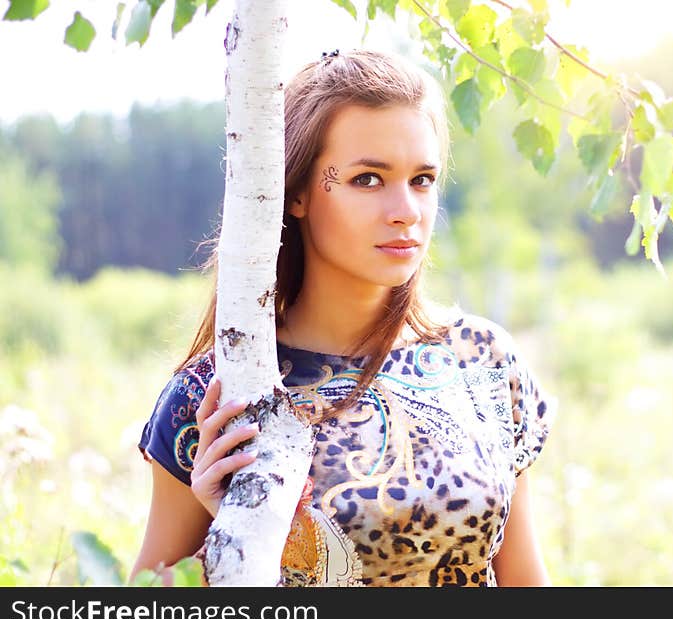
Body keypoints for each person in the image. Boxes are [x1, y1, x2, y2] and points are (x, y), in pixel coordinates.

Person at [131, 49, 556, 587]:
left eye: (422, 179)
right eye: (369, 179)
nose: (406, 209)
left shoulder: (483, 359)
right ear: (299, 193)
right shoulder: (219, 395)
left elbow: (526, 581)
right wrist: (236, 531)